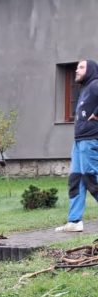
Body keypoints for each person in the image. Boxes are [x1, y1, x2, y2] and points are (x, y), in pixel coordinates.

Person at [57, 59, 98, 232]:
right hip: (79, 141)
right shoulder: (85, 89)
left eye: (81, 67)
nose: (77, 70)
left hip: (90, 139)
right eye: (77, 67)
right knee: (76, 179)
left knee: (91, 177)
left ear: (90, 70)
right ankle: (74, 221)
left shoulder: (96, 84)